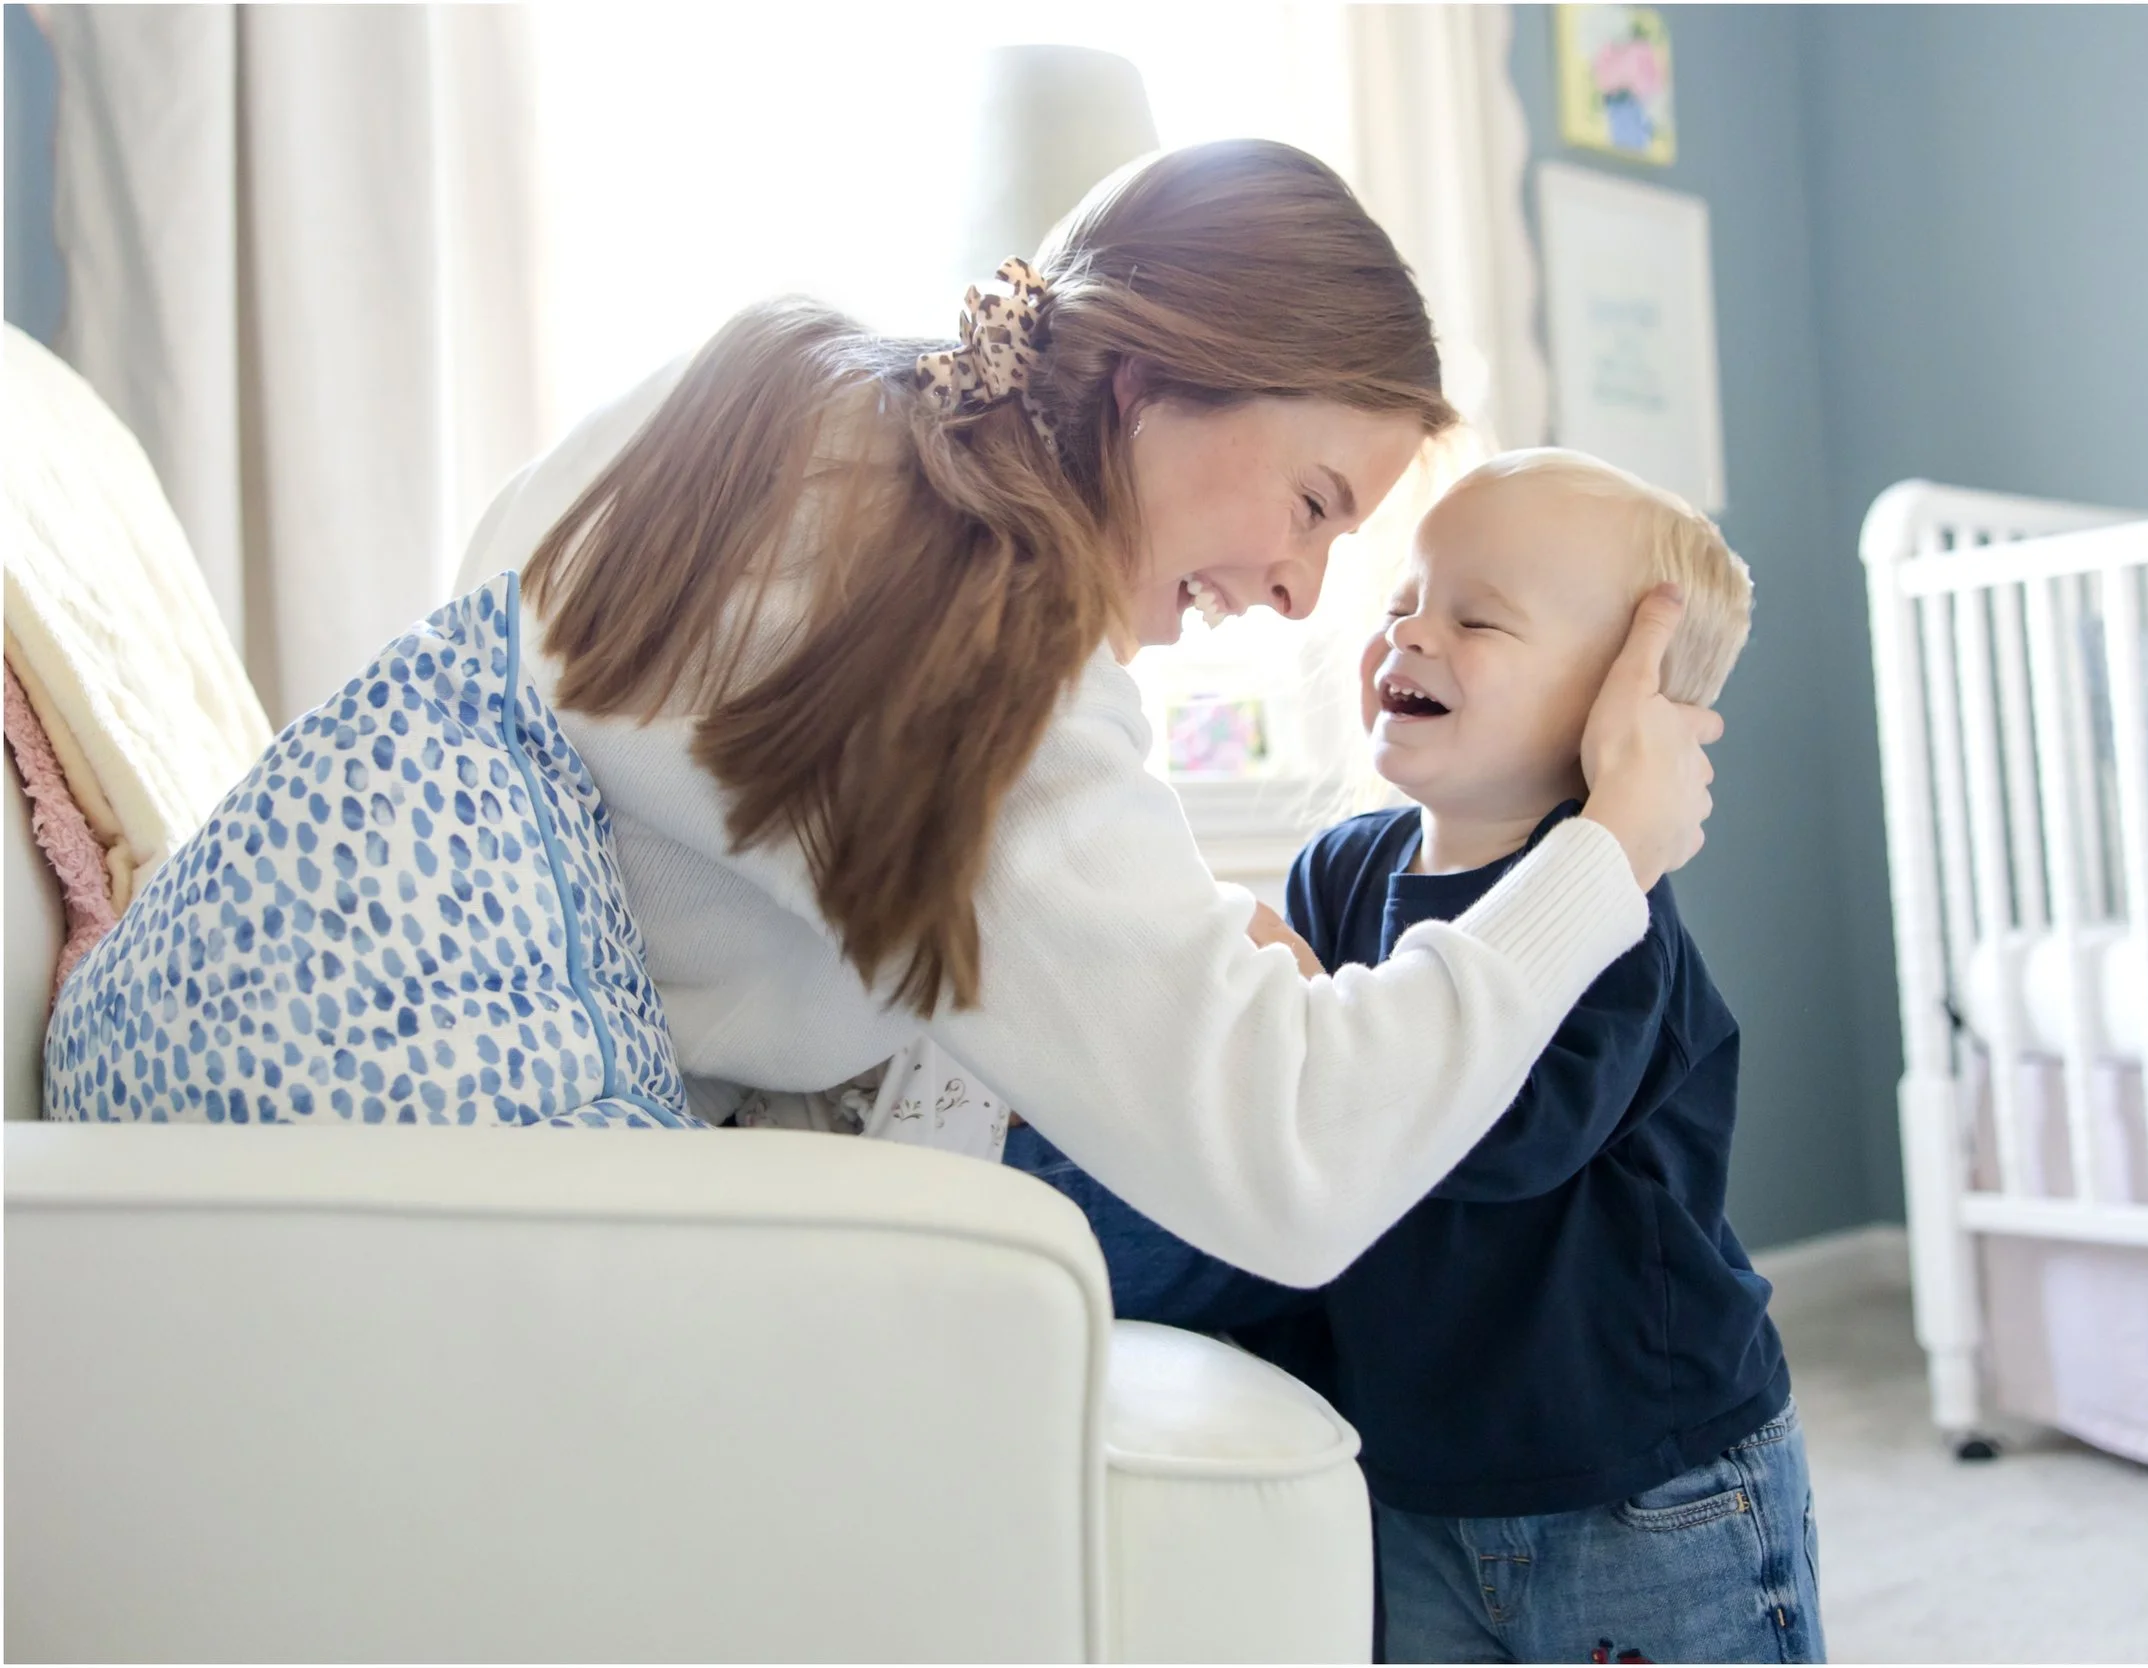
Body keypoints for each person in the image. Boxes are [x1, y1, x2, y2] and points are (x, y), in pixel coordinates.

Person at [431, 139, 1706, 1285]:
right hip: (593, 1224)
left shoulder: (784, 400)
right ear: (1148, 382)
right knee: (1408, 1210)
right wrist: (1607, 853)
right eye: (1312, 505)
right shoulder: (967, 629)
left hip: (467, 1151)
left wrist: (1187, 933)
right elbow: (1305, 1167)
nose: (1301, 593)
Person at [1011, 449, 1820, 1664]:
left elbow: (1496, 1138)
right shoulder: (1345, 866)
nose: (1411, 635)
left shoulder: (1608, 907)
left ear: (1622, 707)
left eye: (1476, 619)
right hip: (1416, 1482)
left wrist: (1306, 993)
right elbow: (1306, 1145)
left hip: (1640, 1488)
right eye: (1402, 602)